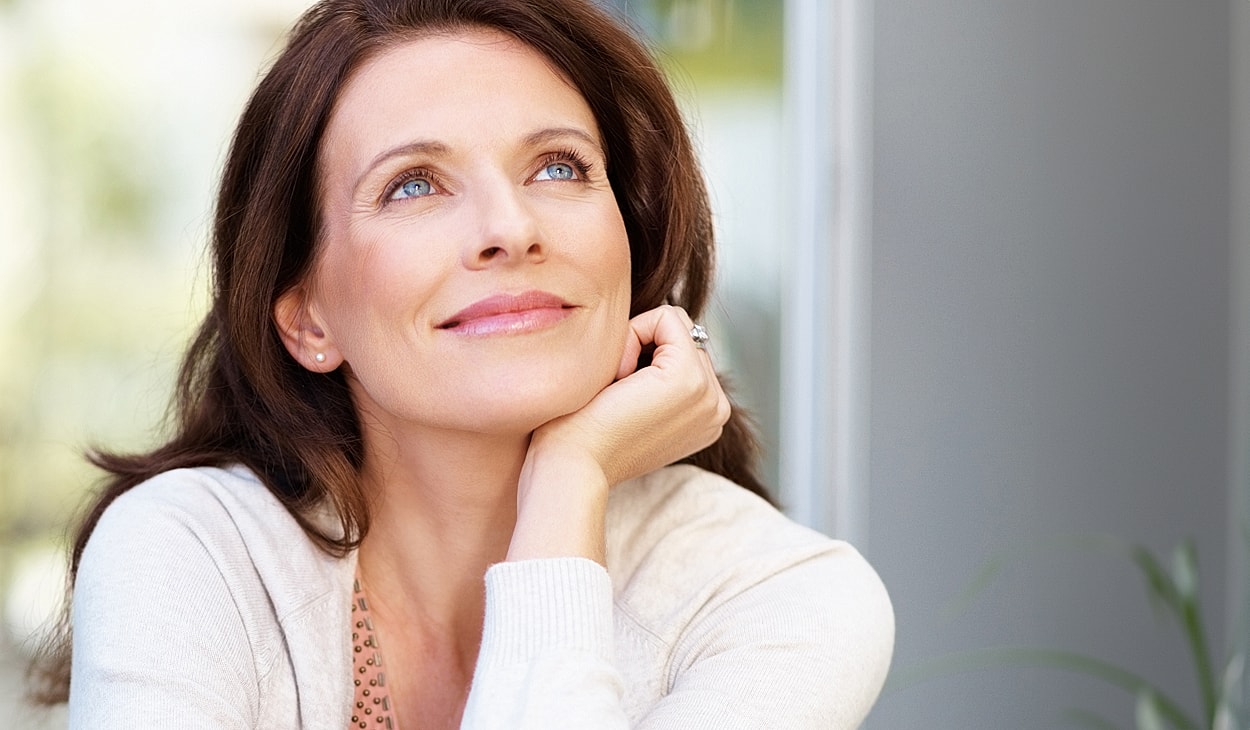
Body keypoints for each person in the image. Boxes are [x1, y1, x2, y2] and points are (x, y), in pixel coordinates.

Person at [30, 0, 894, 727]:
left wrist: (569, 480)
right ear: (307, 317)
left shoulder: (785, 598)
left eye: (558, 167)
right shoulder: (192, 555)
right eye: (413, 183)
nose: (510, 228)